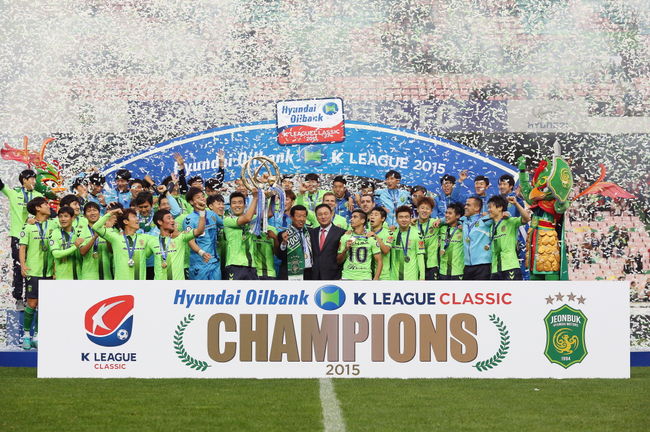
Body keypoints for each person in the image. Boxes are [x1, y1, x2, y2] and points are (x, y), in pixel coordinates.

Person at [0, 170, 44, 309]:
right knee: (19, 266)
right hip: (18, 236)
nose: (34, 181)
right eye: (31, 178)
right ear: (24, 180)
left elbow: (45, 214)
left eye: (35, 179)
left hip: (33, 237)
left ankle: (29, 298)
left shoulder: (38, 196)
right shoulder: (14, 193)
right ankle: (18, 298)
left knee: (31, 267)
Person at [18, 197, 53, 349]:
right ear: (38, 208)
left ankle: (37, 336)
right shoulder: (28, 227)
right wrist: (23, 265)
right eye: (45, 204)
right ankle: (26, 335)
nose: (48, 206)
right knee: (32, 303)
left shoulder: (53, 224)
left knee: (44, 305)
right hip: (33, 270)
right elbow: (22, 247)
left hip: (49, 271)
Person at [93, 208, 151, 280]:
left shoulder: (145, 238)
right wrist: (112, 212)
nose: (137, 219)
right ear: (126, 221)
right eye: (134, 217)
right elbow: (96, 227)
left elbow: (150, 252)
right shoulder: (116, 238)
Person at [150, 209, 205, 280]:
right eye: (169, 218)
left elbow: (200, 231)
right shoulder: (151, 241)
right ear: (160, 222)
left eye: (173, 218)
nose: (173, 220)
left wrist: (202, 212)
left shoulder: (181, 238)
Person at [184, 187, 223, 280]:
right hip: (200, 263)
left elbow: (224, 225)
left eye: (203, 196)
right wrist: (202, 253)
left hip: (215, 262)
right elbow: (190, 241)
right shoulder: (189, 220)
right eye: (198, 197)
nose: (202, 199)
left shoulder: (212, 214)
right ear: (191, 202)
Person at [487, 195, 530, 280]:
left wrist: (516, 203)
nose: (488, 210)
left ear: (500, 208)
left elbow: (526, 218)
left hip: (510, 266)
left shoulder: (510, 221)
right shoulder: (492, 227)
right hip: (495, 268)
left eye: (490, 207)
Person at [223, 191, 259, 280]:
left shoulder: (251, 219)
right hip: (234, 265)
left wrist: (270, 196)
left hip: (251, 266)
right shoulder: (227, 220)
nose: (237, 205)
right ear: (230, 206)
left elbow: (268, 214)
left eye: (240, 202)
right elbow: (247, 218)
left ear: (245, 205)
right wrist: (255, 198)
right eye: (234, 203)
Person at [337, 210, 382, 280]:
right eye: (351, 217)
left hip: (365, 278)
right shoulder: (345, 237)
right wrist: (345, 249)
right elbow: (339, 261)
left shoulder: (370, 238)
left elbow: (379, 261)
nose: (351, 219)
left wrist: (375, 279)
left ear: (362, 220)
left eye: (355, 217)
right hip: (347, 277)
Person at [77, 202, 114, 280]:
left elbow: (111, 251)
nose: (92, 213)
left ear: (99, 213)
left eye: (94, 210)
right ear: (84, 215)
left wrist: (106, 235)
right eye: (89, 211)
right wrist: (94, 237)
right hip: (89, 276)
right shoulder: (82, 231)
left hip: (107, 275)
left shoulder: (107, 229)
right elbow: (82, 252)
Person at [309, 203, 346, 280]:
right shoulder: (311, 233)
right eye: (320, 214)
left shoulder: (341, 233)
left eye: (326, 214)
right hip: (314, 276)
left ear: (331, 214)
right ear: (316, 217)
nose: (323, 217)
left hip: (334, 276)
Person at [278, 205, 313, 280]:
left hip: (310, 273)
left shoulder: (311, 232)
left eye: (304, 216)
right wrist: (284, 243)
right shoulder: (284, 234)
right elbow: (280, 256)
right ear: (291, 217)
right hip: (291, 272)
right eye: (299, 216)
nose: (302, 219)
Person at [461, 196, 493, 280]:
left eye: (468, 205)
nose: (465, 207)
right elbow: (451, 217)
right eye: (465, 205)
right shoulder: (464, 220)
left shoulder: (485, 220)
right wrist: (440, 220)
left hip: (483, 265)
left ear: (477, 208)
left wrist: (507, 213)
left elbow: (500, 215)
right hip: (467, 266)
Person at [390, 205, 425, 280]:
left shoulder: (417, 234)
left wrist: (422, 277)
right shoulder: (392, 234)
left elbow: (420, 256)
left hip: (411, 278)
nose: (404, 220)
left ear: (410, 218)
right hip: (394, 278)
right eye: (401, 217)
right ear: (396, 219)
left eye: (406, 217)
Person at [49, 206, 85, 280]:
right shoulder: (55, 233)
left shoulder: (79, 232)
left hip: (80, 276)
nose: (63, 219)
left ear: (72, 218)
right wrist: (75, 246)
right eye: (60, 216)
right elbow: (56, 254)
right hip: (62, 277)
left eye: (66, 216)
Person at [415, 197, 440, 280]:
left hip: (432, 264)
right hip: (416, 264)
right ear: (417, 209)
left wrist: (440, 220)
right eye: (422, 208)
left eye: (427, 208)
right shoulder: (412, 225)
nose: (424, 211)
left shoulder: (435, 223)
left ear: (431, 211)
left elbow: (452, 220)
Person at [439, 203, 465, 280]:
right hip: (443, 271)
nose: (446, 215)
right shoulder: (442, 228)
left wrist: (464, 227)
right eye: (446, 213)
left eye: (450, 213)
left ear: (458, 216)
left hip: (458, 271)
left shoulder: (463, 230)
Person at [368, 207, 393, 280]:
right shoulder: (366, 232)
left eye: (376, 215)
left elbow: (386, 250)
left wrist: (375, 236)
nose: (372, 217)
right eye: (371, 214)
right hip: (367, 274)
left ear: (382, 219)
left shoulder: (388, 233)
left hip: (383, 276)